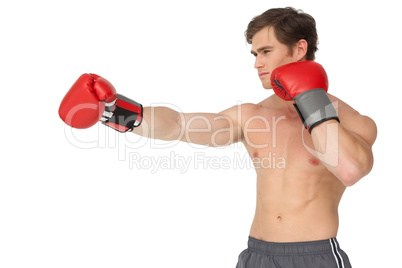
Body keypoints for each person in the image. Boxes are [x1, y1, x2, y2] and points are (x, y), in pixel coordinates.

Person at [59, 7, 377, 268]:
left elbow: (351, 169)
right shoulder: (252, 116)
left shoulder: (353, 121)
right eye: (254, 53)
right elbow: (180, 125)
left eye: (266, 51)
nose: (257, 63)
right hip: (256, 255)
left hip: (315, 256)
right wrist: (115, 111)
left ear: (300, 48)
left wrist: (311, 97)